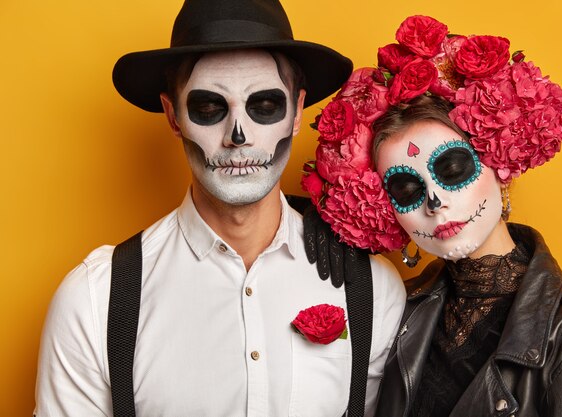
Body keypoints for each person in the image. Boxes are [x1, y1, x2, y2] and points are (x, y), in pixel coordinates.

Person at [34, 1, 406, 416]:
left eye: (265, 105)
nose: (238, 135)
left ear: (297, 112)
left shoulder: (371, 289)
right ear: (173, 116)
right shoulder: (95, 300)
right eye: (209, 107)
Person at [301, 15, 562, 417]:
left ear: (499, 166)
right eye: (406, 189)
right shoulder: (397, 311)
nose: (434, 200)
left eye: (452, 169)